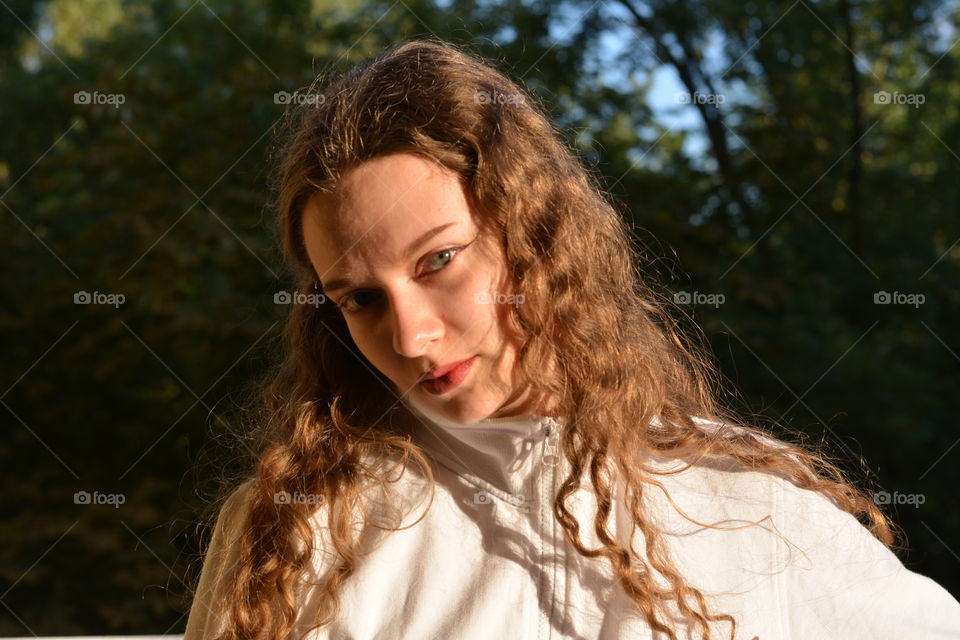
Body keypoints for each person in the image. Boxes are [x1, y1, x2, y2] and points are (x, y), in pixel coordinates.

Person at [183, 38, 960, 640]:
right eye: (359, 299)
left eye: (440, 261)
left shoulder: (754, 512)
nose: (413, 337)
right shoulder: (296, 535)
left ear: (537, 237)